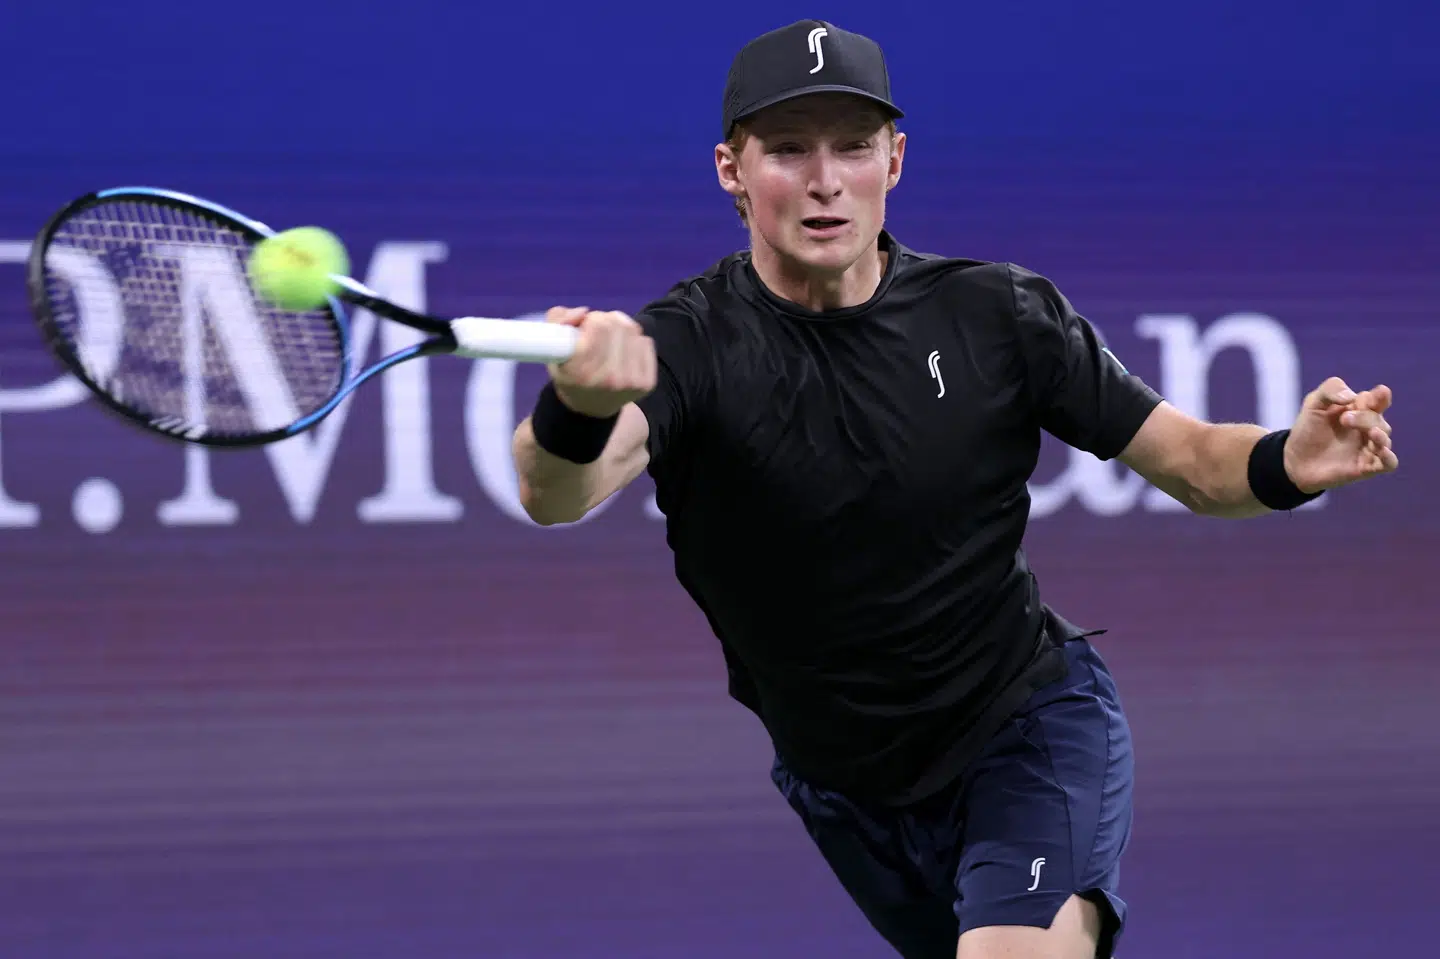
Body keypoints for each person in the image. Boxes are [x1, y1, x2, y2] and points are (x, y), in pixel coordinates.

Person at [509, 19, 1399, 959]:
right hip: (846, 790)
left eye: (854, 146)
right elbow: (556, 490)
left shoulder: (997, 313)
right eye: (790, 150)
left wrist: (1289, 462)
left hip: (1023, 730)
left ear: (895, 160)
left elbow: (1191, 460)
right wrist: (578, 405)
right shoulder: (689, 343)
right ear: (731, 169)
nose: (826, 180)